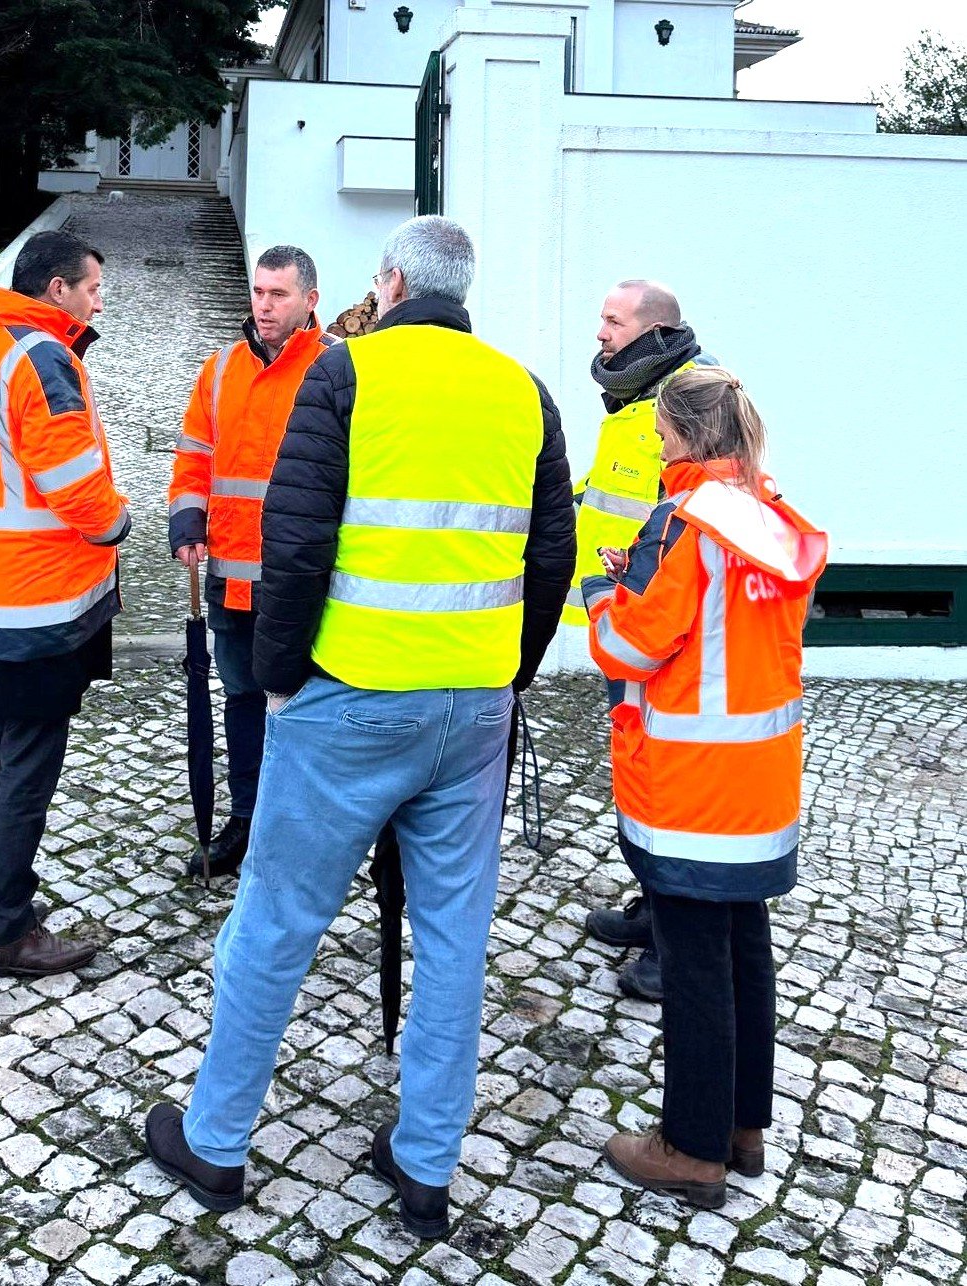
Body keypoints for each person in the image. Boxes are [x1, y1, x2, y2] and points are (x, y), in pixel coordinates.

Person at [144, 215, 576, 1238]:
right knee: (454, 942)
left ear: (388, 282)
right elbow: (550, 555)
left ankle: (216, 1141)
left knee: (275, 921)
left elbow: (294, 541)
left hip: (351, 697)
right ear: (463, 290)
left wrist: (278, 680)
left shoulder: (344, 374)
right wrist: (507, 674)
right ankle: (425, 1165)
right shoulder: (525, 392)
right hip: (472, 707)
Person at [583, 367, 826, 1208]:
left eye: (660, 436)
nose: (657, 450)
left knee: (692, 969)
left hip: (689, 788)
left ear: (684, 436)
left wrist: (604, 594)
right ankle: (740, 1128)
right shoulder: (769, 515)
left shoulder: (685, 524)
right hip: (757, 783)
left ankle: (689, 1148)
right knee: (744, 952)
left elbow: (632, 648)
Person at [0, 229, 131, 978]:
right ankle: (6, 930)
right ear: (57, 289)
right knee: (25, 769)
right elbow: (73, 484)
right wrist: (117, 522)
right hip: (40, 603)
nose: (97, 302)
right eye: (92, 288)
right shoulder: (43, 357)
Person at [568, 280, 716, 1003]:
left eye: (612, 321)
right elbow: (608, 495)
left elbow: (694, 515)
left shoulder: (692, 402)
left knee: (668, 788)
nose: (599, 333)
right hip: (629, 621)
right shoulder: (636, 401)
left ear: (653, 332)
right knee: (638, 777)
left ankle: (675, 944)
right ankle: (654, 906)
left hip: (665, 633)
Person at [168, 245, 334, 880]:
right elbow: (194, 456)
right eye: (259, 292)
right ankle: (245, 818)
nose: (264, 305)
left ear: (309, 301)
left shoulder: (334, 370)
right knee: (240, 698)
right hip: (230, 580)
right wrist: (187, 518)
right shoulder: (220, 370)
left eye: (278, 295)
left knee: (304, 706)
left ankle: (300, 827)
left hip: (302, 585)